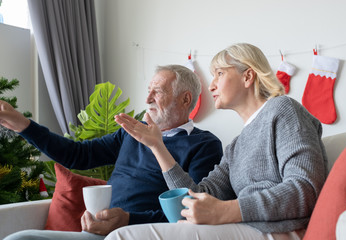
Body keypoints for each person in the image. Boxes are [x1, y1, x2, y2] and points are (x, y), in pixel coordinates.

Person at [108, 43, 328, 240]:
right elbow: (196, 196)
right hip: (247, 226)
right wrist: (157, 146)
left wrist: (225, 211)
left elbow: (305, 189)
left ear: (247, 76)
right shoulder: (236, 146)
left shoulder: (282, 110)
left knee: (122, 237)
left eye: (219, 73)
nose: (211, 86)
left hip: (279, 230)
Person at [0, 65, 223, 240]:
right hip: (101, 231)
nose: (147, 100)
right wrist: (23, 125)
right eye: (148, 92)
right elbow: (78, 155)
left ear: (185, 99)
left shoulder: (204, 145)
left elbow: (190, 210)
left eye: (158, 92)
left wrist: (128, 220)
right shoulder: (131, 132)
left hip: (142, 234)